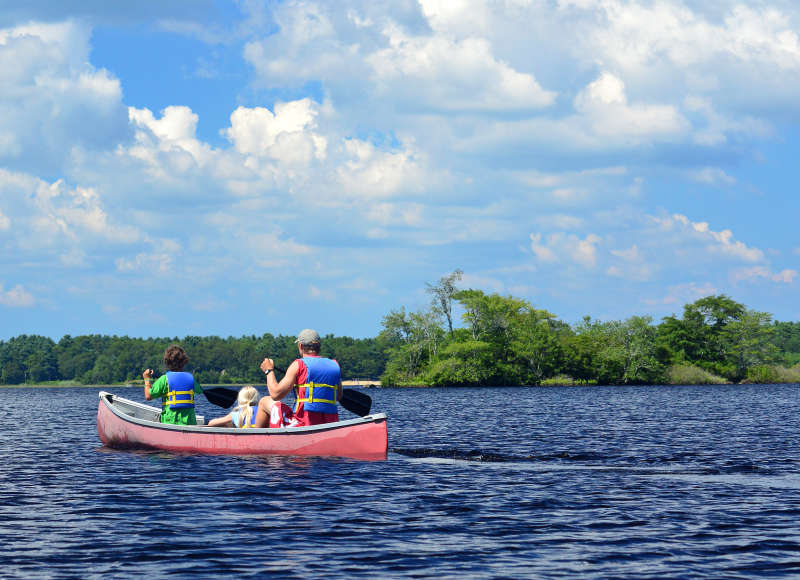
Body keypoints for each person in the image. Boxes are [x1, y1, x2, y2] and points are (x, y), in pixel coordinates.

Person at [255, 329, 341, 428]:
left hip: (302, 423)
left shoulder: (298, 364)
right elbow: (338, 396)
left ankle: (256, 440)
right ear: (319, 346)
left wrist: (269, 371)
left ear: (300, 346)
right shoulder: (335, 365)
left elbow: (275, 394)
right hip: (330, 424)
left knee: (264, 401)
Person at [142, 344, 203, 425]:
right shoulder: (191, 379)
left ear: (167, 362)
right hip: (190, 423)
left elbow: (148, 396)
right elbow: (199, 390)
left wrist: (146, 379)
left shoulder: (164, 379)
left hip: (170, 423)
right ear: (184, 362)